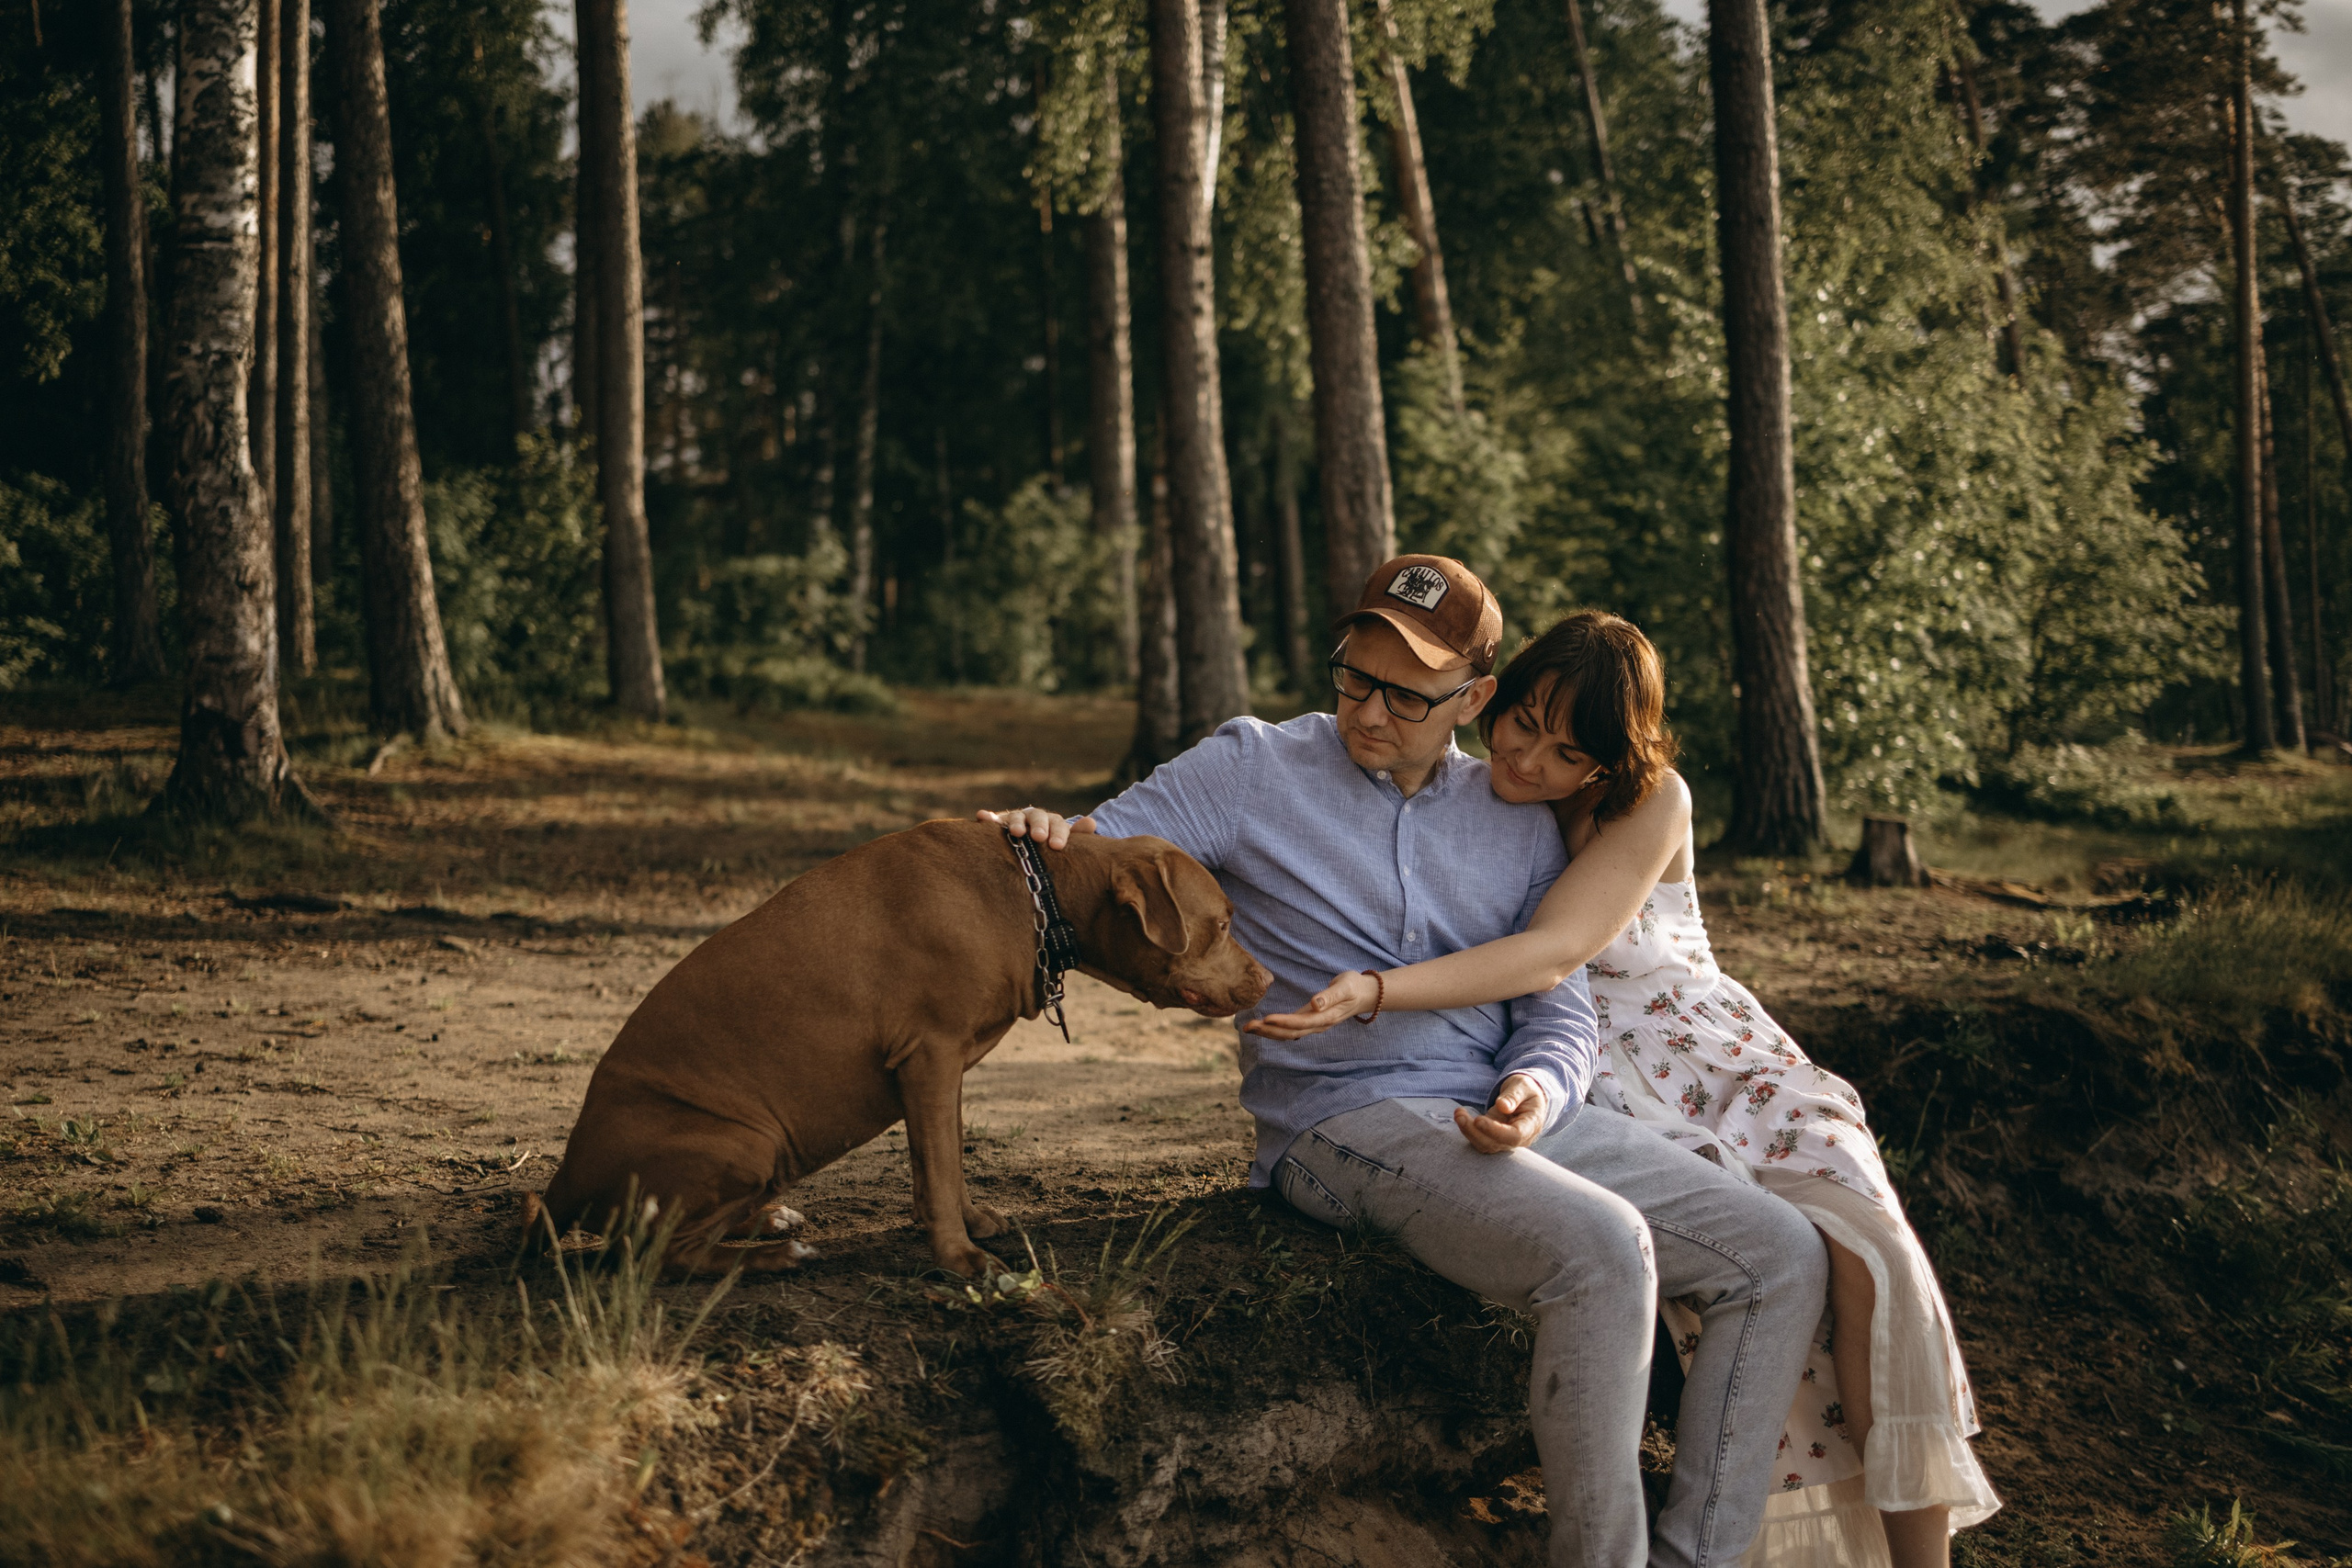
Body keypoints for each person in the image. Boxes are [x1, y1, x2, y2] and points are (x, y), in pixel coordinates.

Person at [987, 557, 1828, 1568]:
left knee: (1780, 1255)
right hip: (1343, 1123)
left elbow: (1557, 1009)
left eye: (1404, 694)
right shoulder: (1254, 766)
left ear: (1474, 698)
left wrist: (1535, 1091)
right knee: (1604, 1251)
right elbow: (1096, 855)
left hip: (1509, 1118)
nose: (1367, 713)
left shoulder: (1516, 823)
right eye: (1354, 678)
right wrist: (1033, 835)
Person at [1250, 610, 2003, 1568]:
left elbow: (1554, 951)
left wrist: (1378, 991)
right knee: (1725, 1254)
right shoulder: (1473, 797)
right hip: (1586, 1069)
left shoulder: (1651, 801)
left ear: (1612, 758)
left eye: (1567, 752)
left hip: (1705, 1062)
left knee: (1870, 1255)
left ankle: (1912, 1553)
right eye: (1521, 725)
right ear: (1491, 698)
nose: (1528, 760)